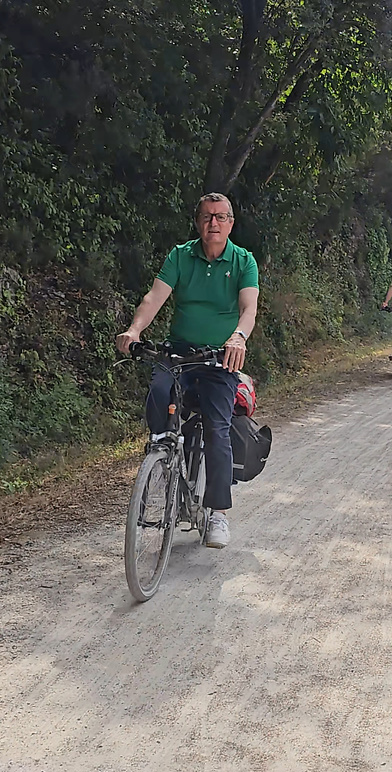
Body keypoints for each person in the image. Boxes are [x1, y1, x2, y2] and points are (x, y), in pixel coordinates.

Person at [115, 192, 259, 550]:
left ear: (231, 223)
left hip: (219, 358)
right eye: (208, 217)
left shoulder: (243, 261)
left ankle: (219, 512)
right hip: (178, 352)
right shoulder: (181, 256)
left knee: (217, 429)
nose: (214, 223)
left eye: (221, 217)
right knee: (158, 394)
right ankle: (162, 460)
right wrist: (135, 331)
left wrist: (238, 338)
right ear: (198, 222)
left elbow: (248, 309)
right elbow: (154, 298)